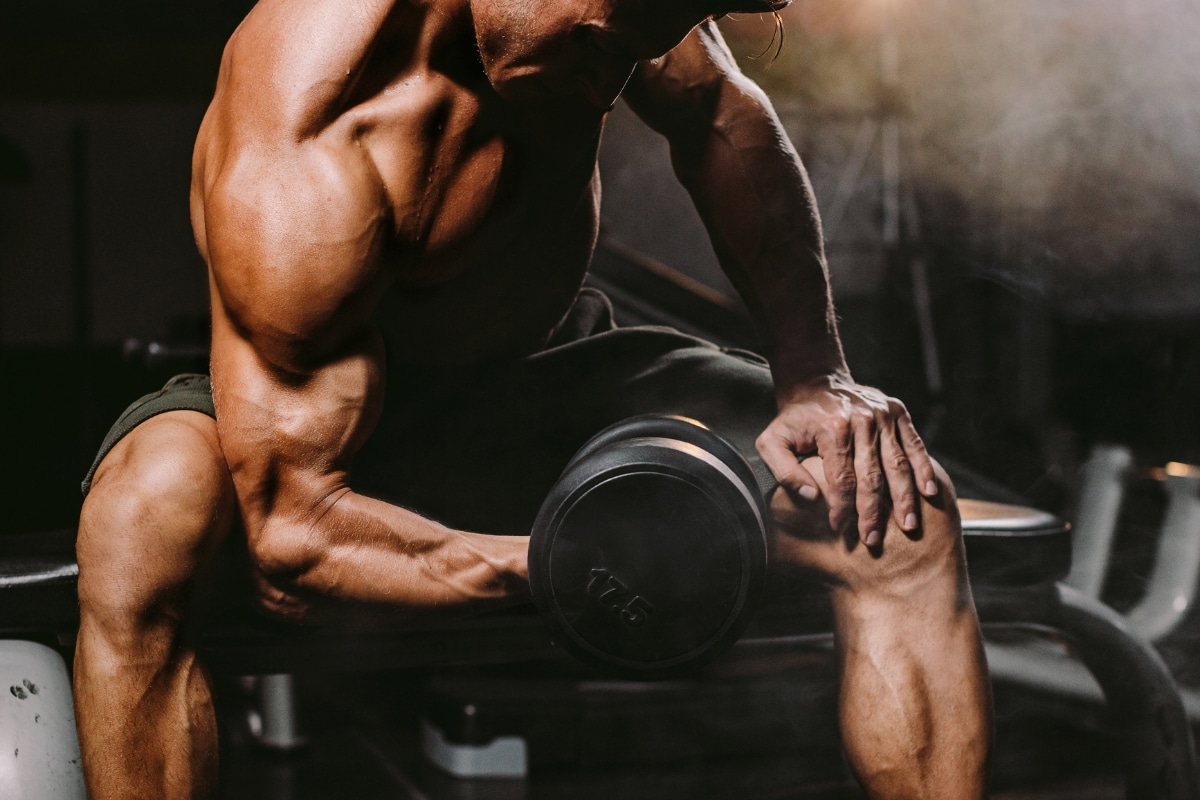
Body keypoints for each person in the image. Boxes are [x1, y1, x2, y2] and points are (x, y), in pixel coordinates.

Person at [73, 0, 992, 797]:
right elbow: (291, 541)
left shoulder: (626, 16)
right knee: (148, 518)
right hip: (326, 430)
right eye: (602, 47)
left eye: (645, 48)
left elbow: (720, 114)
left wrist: (814, 374)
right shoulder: (321, 126)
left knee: (891, 508)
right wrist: (582, 561)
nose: (618, 81)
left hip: (538, 379)